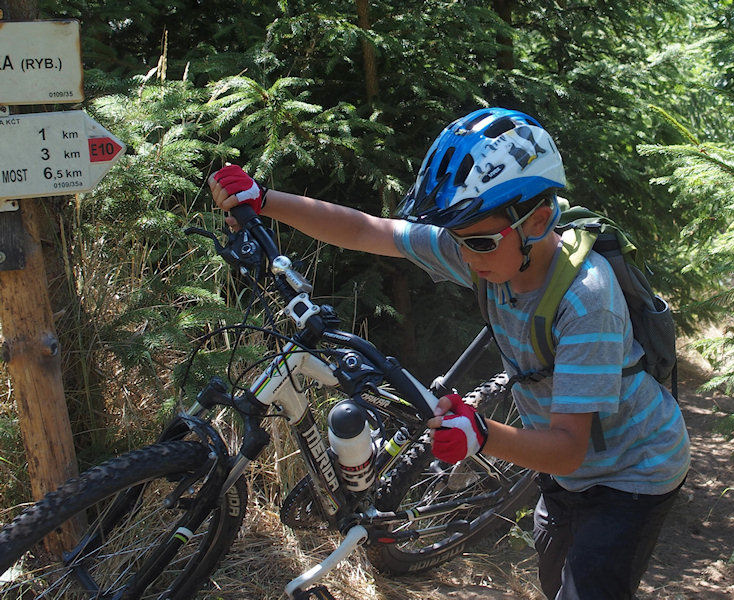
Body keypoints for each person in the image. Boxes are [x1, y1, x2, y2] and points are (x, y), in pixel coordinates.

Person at [208, 107, 691, 599]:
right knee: (554, 580)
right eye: (457, 240)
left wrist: (481, 434)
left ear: (539, 221)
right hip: (567, 470)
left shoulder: (587, 301)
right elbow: (372, 231)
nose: (465, 256)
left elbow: (568, 448)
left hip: (633, 473)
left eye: (477, 242)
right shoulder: (488, 249)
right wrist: (265, 200)